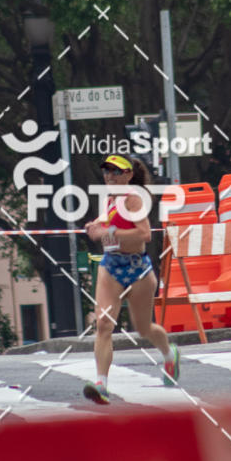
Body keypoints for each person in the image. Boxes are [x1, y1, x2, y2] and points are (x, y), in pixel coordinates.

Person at [82, 153, 180, 404]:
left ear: (128, 175)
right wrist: (95, 226)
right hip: (112, 266)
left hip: (138, 268)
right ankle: (101, 385)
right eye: (106, 172)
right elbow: (108, 223)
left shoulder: (134, 199)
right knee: (104, 324)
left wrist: (107, 231)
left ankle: (170, 355)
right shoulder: (109, 198)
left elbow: (144, 234)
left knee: (144, 328)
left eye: (115, 172)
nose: (109, 176)